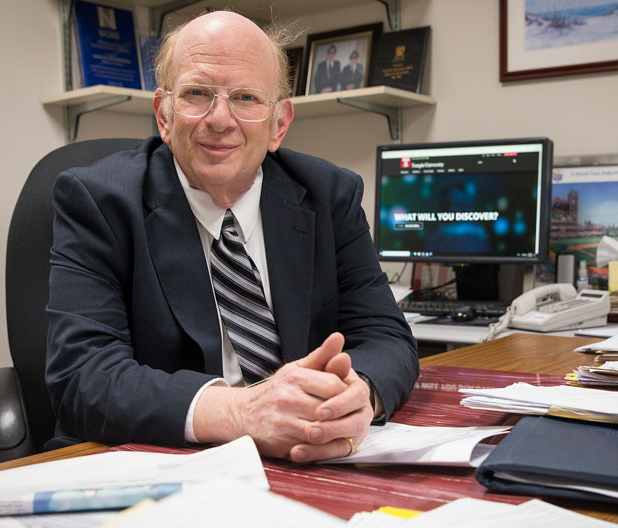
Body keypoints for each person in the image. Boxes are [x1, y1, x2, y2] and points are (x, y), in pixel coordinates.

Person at [44, 10, 418, 463]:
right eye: (197, 94)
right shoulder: (99, 201)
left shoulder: (330, 195)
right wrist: (242, 413)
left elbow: (386, 337)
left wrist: (354, 397)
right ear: (163, 116)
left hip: (303, 456)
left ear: (279, 124)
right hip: (156, 461)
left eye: (245, 98)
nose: (220, 119)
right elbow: (83, 377)